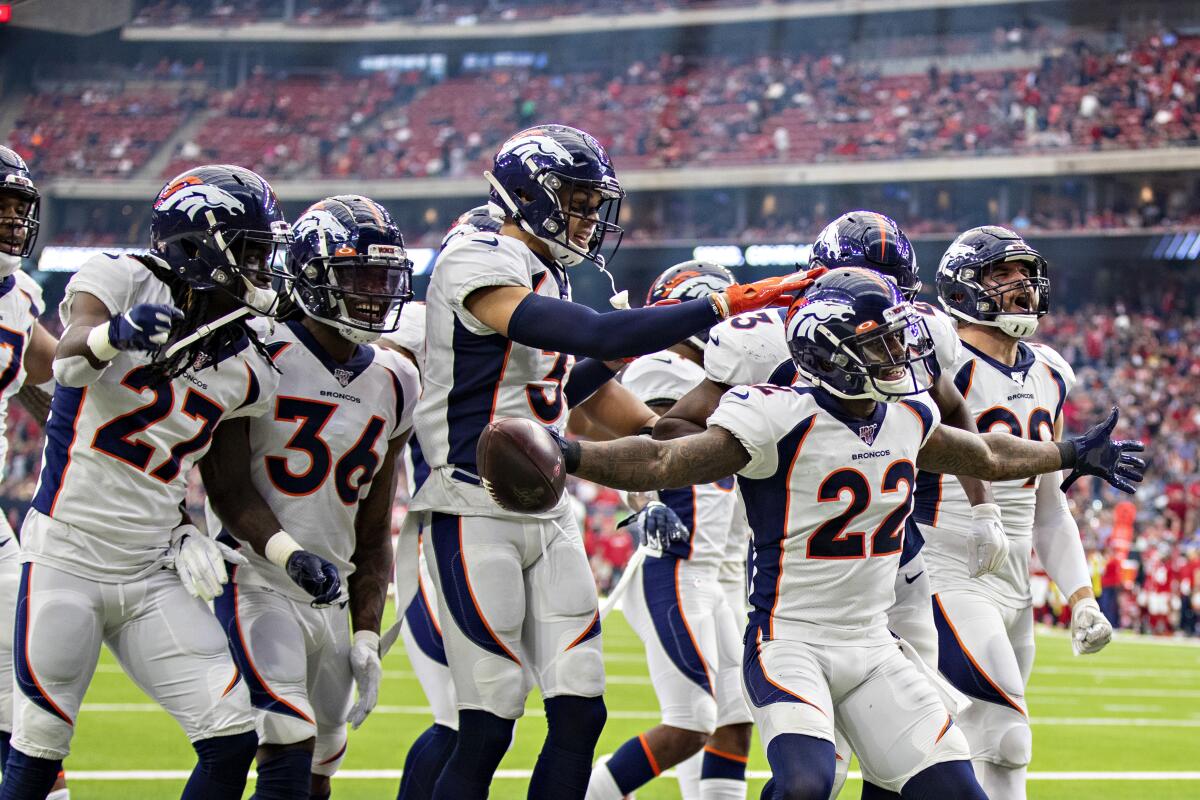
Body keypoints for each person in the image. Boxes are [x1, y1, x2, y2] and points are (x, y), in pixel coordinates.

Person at [544, 267, 1144, 800]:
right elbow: (660, 461)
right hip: (789, 640)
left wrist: (1069, 452)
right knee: (807, 783)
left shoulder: (909, 415)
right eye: (880, 345)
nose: (898, 357)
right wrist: (566, 454)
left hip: (873, 643)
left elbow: (986, 452)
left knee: (956, 787)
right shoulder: (775, 415)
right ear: (832, 353)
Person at [411, 123, 822, 799]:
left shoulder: (544, 270)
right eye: (574, 197)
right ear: (527, 193)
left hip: (546, 507)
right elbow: (592, 333)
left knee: (581, 711)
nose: (586, 215)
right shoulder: (475, 254)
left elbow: (575, 394)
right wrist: (718, 304)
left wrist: (688, 434)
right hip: (471, 500)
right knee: (487, 720)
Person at [0, 164, 323, 800]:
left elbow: (228, 490)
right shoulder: (120, 277)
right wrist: (109, 336)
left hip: (152, 572)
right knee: (37, 752)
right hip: (67, 555)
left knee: (231, 736)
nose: (264, 269)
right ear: (205, 242)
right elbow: (64, 367)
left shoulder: (249, 361)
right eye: (254, 252)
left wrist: (290, 555)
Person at [203, 195, 419, 800]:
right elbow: (226, 485)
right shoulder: (258, 347)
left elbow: (375, 528)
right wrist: (287, 555)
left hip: (334, 595)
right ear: (313, 276)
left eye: (386, 277)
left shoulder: (398, 378)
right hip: (256, 579)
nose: (378, 293)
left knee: (319, 770)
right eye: (361, 277)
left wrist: (368, 632)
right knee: (284, 745)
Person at [917, 226, 1119, 799]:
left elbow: (1048, 505)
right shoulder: (939, 361)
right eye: (1001, 276)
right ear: (962, 288)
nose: (1021, 286)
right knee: (1004, 736)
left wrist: (1080, 597)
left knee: (983, 749)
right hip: (942, 565)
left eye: (1025, 274)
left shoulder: (1049, 371)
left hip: (1014, 581)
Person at [587, 262, 753, 800]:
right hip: (675, 563)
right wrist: (644, 501)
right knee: (691, 721)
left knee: (736, 718)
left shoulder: (724, 379)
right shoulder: (665, 367)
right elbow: (648, 449)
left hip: (714, 574)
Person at [381, 202, 503, 800]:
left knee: (479, 718)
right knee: (463, 717)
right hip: (447, 528)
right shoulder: (413, 325)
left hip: (494, 531)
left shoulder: (517, 327)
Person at [0, 146, 62, 797]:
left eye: (21, 208)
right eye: (2, 206)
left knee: (19, 683)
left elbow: (53, 376)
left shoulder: (17, 296)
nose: (15, 221)